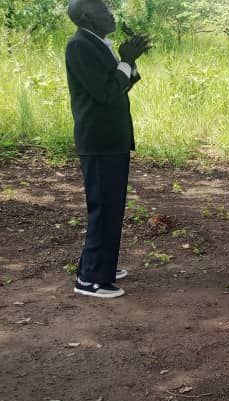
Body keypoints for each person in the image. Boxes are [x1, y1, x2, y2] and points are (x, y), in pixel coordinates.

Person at [66, 0, 150, 298]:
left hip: (110, 139)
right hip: (99, 140)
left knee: (111, 207)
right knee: (104, 208)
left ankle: (101, 266)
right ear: (89, 17)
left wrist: (130, 60)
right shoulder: (79, 46)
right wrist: (125, 60)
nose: (111, 14)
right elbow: (104, 92)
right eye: (105, 10)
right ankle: (90, 280)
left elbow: (121, 86)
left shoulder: (96, 43)